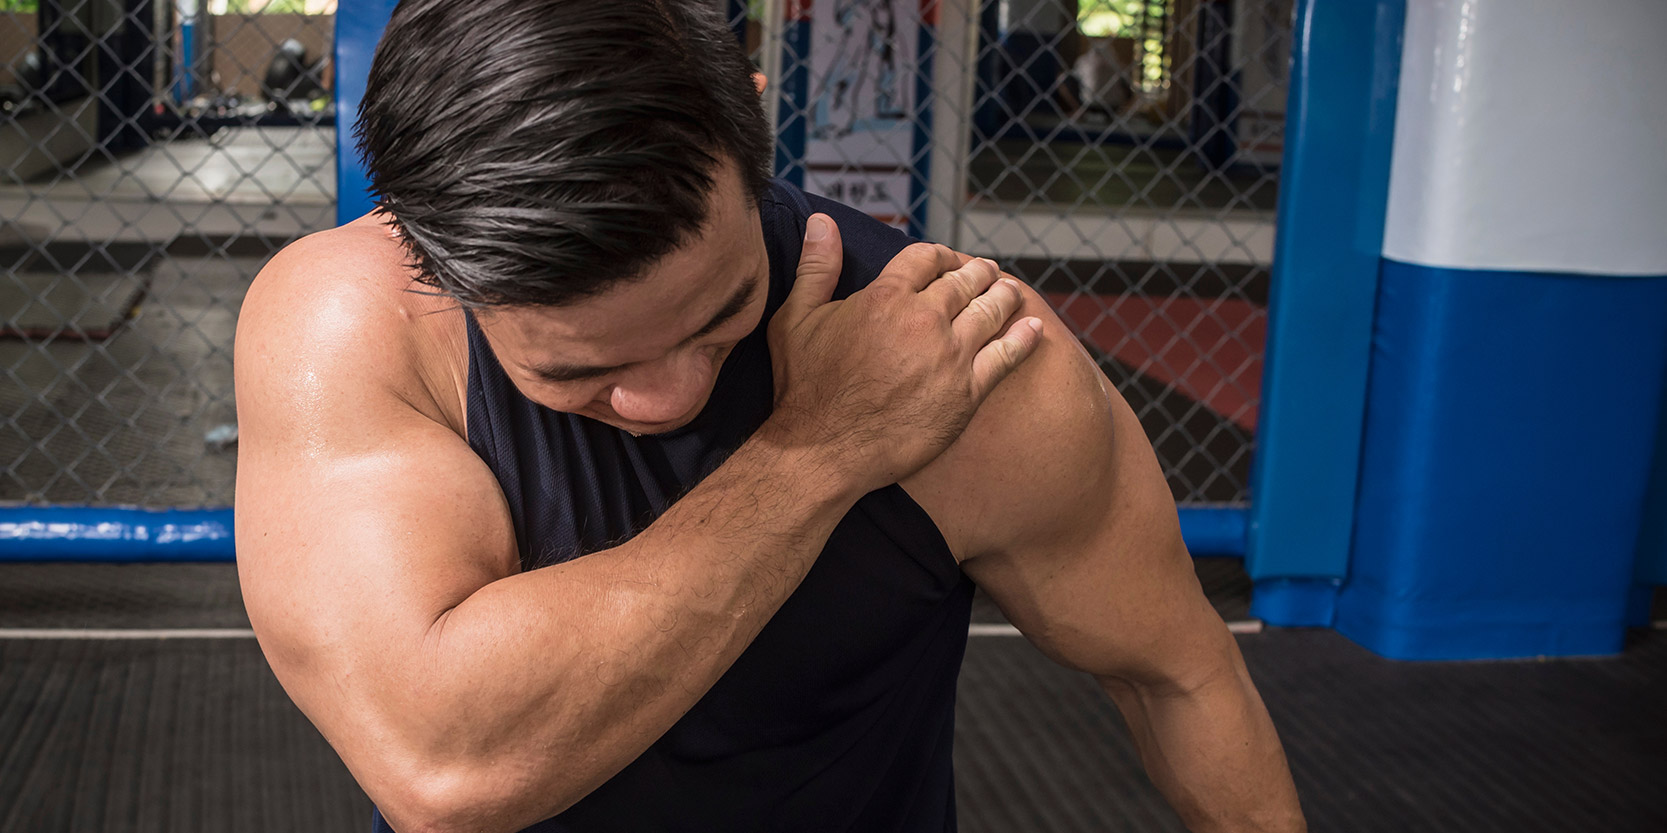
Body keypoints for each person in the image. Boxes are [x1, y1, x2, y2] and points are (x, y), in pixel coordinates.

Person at [233, 1, 1306, 831]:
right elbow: (445, 762)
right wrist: (818, 450)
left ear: (750, 121)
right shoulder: (351, 326)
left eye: (718, 317)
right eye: (578, 371)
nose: (670, 396)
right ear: (426, 261)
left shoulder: (967, 358)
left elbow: (1174, 670)